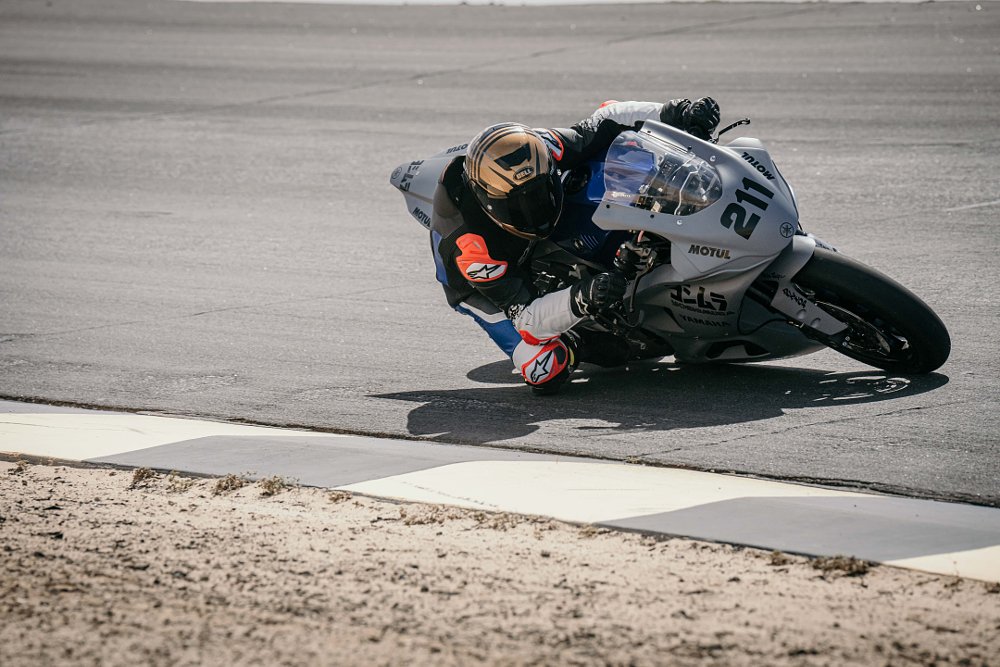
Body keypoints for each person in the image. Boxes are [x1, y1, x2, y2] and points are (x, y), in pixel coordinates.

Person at [428, 98, 721, 394]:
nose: (535, 211)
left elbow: (607, 118)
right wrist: (583, 296)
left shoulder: (540, 149)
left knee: (613, 148)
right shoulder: (473, 250)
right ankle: (579, 342)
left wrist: (674, 111)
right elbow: (528, 318)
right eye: (519, 207)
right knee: (544, 368)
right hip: (482, 285)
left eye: (541, 193)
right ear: (490, 203)